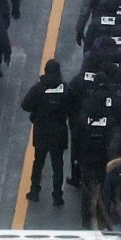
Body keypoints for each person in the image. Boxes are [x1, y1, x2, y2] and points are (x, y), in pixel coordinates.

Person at [22, 59, 73, 206]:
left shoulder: (38, 89)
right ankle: (57, 196)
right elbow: (73, 105)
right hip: (59, 131)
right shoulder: (65, 89)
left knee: (38, 162)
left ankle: (34, 190)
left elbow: (25, 105)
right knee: (58, 165)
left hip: (42, 130)